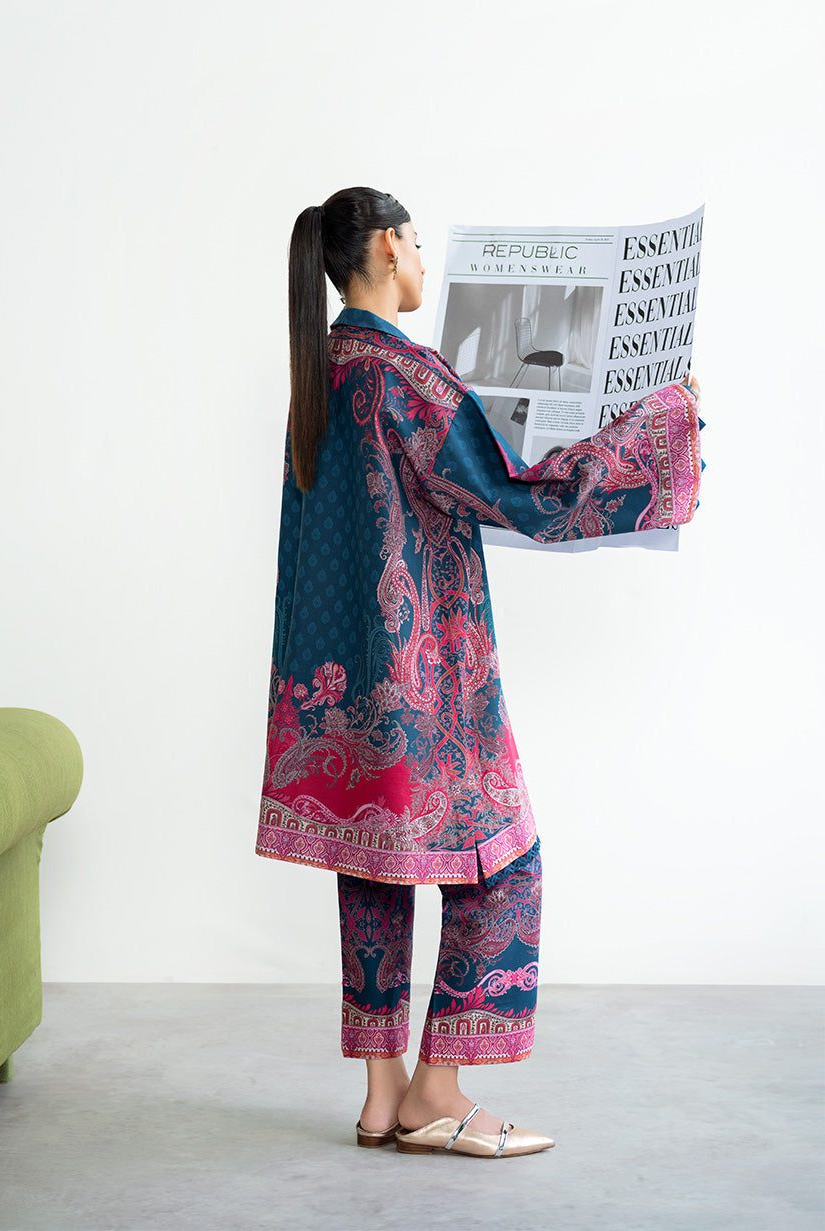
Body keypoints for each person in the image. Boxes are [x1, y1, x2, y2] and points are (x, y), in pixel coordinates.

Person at [256, 187, 703, 1159]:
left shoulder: (319, 373)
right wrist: (660, 422)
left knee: (376, 869)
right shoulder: (405, 376)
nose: (425, 260)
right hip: (428, 682)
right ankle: (438, 1093)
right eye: (417, 242)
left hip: (337, 688)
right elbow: (519, 496)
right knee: (507, 864)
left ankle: (382, 1097)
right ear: (387, 246)